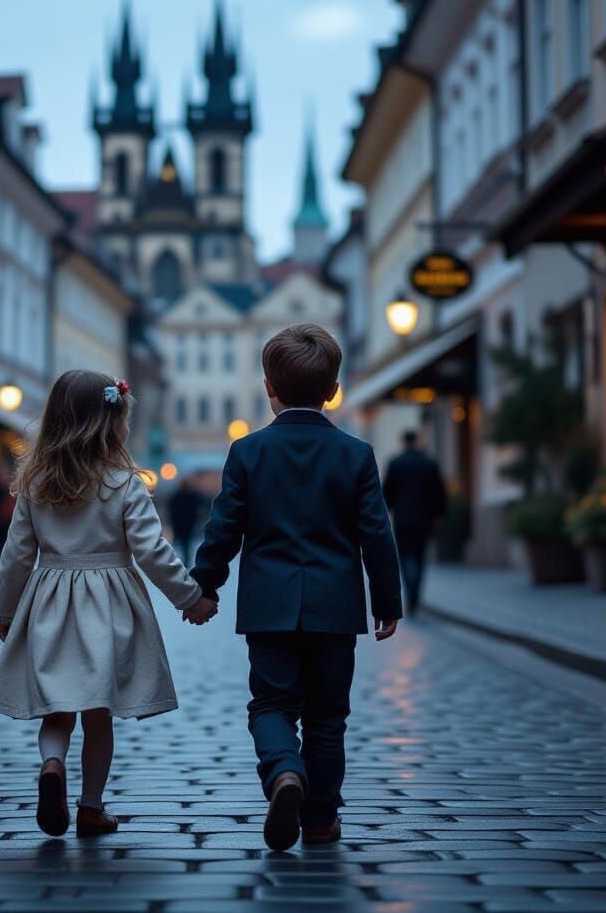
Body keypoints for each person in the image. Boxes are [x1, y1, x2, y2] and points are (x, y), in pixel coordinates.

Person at [189, 324, 402, 852]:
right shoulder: (355, 454)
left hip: (269, 605)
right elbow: (376, 531)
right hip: (335, 606)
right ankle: (321, 820)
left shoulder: (248, 451)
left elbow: (225, 527)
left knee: (271, 706)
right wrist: (388, 601)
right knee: (328, 716)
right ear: (333, 390)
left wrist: (203, 587)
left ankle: (284, 771)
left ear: (269, 388)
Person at [0, 371, 217, 838]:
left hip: (50, 600)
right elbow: (154, 552)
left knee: (56, 709)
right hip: (109, 606)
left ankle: (52, 764)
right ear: (112, 425)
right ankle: (91, 807)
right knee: (97, 714)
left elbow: (15, 556)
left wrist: (7, 611)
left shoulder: (35, 482)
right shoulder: (126, 484)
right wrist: (190, 597)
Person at [383, 430, 447, 615]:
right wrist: (440, 515)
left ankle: (410, 589)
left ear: (403, 441)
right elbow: (439, 492)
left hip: (402, 519)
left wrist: (384, 514)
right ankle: (416, 594)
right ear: (417, 441)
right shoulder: (428, 463)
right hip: (424, 519)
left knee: (404, 557)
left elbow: (386, 492)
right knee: (419, 556)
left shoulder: (396, 463)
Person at [168, 475, 206, 565]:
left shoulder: (177, 496)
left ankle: (177, 562)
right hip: (188, 524)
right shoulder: (191, 496)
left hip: (180, 524)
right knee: (186, 544)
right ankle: (184, 562)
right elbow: (197, 507)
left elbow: (172, 509)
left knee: (180, 543)